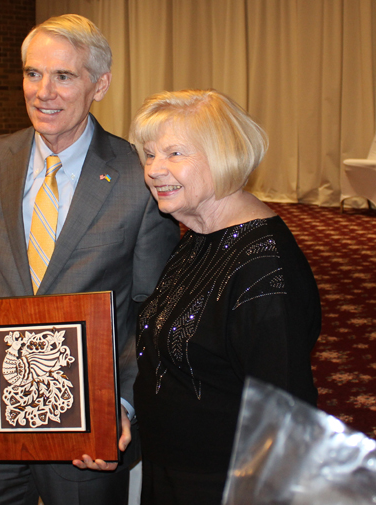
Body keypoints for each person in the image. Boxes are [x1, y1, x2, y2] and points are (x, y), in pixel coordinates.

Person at [0, 14, 179, 505]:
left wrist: (125, 406)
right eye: (33, 74)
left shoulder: (139, 177)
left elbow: (151, 309)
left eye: (64, 76)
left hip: (87, 425)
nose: (43, 91)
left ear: (100, 85)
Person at [129, 89, 321, 505]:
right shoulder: (198, 236)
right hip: (172, 471)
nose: (155, 170)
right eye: (149, 154)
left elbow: (286, 421)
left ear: (222, 156)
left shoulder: (263, 269)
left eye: (175, 153)